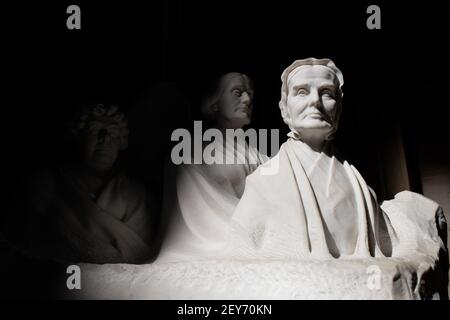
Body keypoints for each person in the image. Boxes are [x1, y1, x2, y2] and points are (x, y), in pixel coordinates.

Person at [2, 103, 155, 264]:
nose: (105, 139)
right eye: (95, 130)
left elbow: (146, 257)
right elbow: (17, 246)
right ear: (76, 137)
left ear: (121, 142)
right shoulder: (43, 185)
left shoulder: (139, 194)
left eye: (113, 132)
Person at [156, 72, 268, 262]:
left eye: (249, 94)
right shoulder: (190, 155)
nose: (247, 99)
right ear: (215, 103)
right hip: (211, 245)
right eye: (237, 92)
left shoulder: (261, 155)